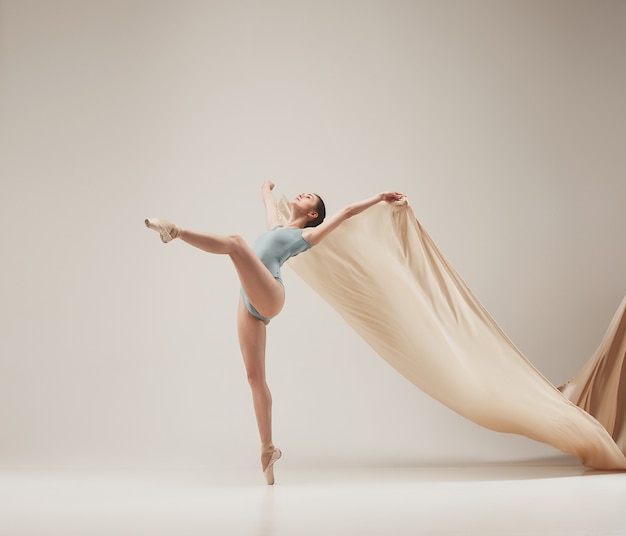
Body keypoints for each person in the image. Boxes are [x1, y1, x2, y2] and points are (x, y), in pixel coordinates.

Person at [145, 181, 404, 484]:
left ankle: (174, 231)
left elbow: (345, 212)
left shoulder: (306, 235)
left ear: (312, 215)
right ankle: (268, 450)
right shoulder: (275, 228)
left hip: (270, 293)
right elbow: (268, 204)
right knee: (255, 378)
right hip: (249, 301)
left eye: (309, 198)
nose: (302, 194)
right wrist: (266, 189)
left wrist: (378, 197)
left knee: (236, 243)